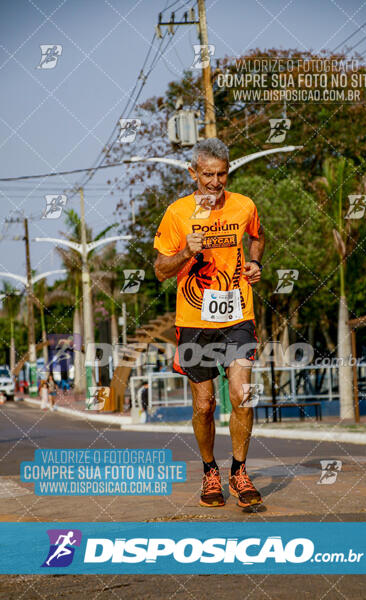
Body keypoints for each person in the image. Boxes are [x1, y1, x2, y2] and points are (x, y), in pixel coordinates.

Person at [154, 138, 265, 508]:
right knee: (204, 405)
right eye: (207, 175)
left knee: (241, 395)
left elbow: (258, 236)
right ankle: (209, 472)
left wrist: (255, 263)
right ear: (193, 173)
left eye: (221, 174)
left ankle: (239, 471)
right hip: (194, 319)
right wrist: (186, 251)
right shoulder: (177, 213)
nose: (215, 183)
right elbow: (159, 271)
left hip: (237, 313)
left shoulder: (244, 205)